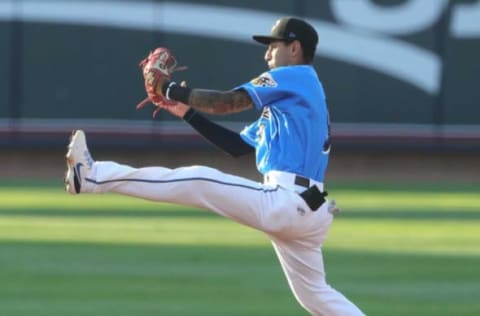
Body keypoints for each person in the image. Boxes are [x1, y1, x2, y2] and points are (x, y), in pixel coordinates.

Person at [65, 17, 365, 316]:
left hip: (287, 201)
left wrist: (170, 89)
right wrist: (186, 112)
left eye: (273, 45)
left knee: (199, 180)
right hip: (308, 211)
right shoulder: (287, 104)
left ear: (295, 48)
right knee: (317, 296)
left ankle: (92, 176)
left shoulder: (295, 76)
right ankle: (92, 177)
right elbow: (236, 147)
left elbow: (226, 102)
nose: (267, 54)